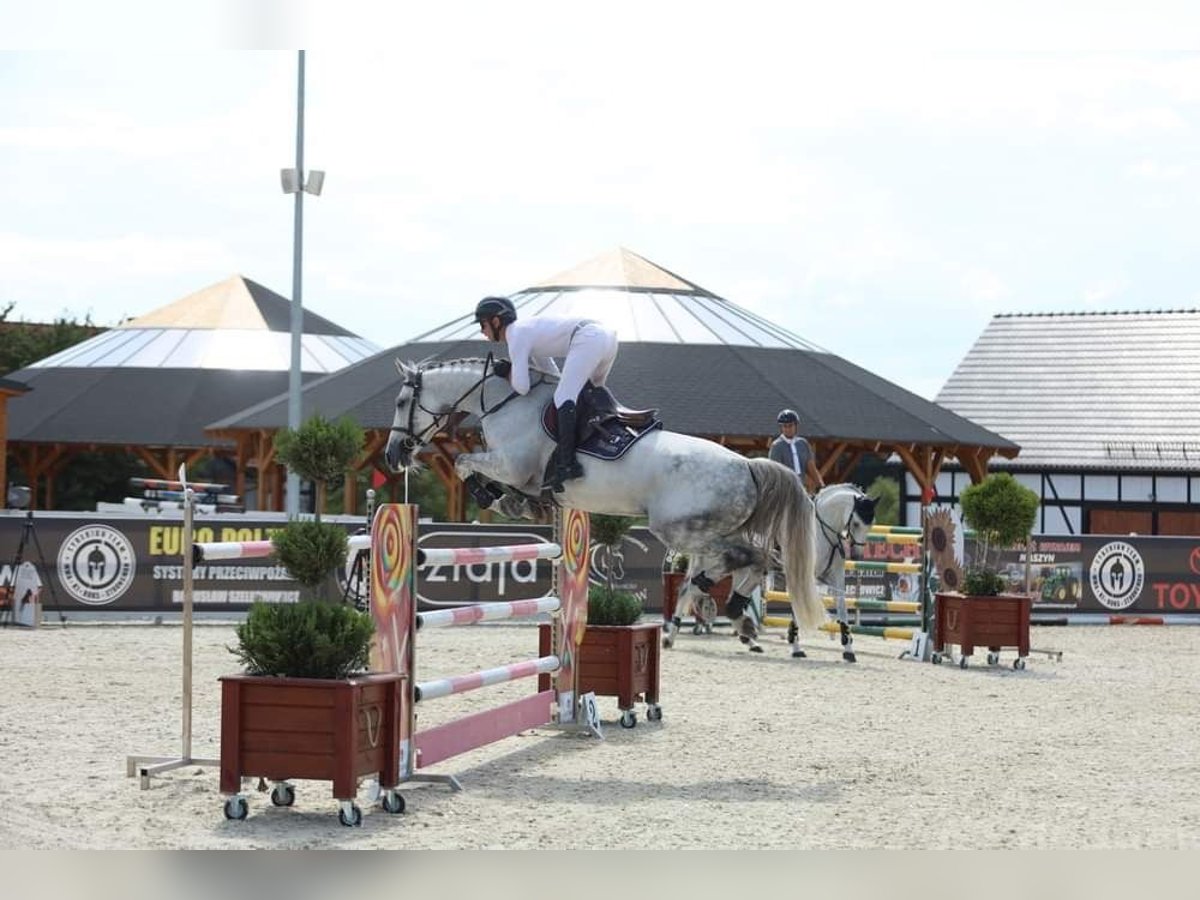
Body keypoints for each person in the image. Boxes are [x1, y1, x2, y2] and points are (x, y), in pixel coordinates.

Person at [474, 296, 619, 491]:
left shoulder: (515, 335)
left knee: (563, 397)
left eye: (483, 325)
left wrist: (506, 373)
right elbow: (553, 374)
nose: (482, 331)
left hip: (589, 338)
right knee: (589, 392)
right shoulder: (526, 331)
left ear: (496, 321)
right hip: (607, 338)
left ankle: (567, 464)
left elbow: (522, 387)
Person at [768, 408, 824, 493]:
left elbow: (811, 467)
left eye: (790, 425)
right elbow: (776, 472)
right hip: (784, 490)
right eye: (784, 426)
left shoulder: (803, 444)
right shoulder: (776, 446)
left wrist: (821, 485)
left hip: (801, 488)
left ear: (796, 426)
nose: (787, 429)